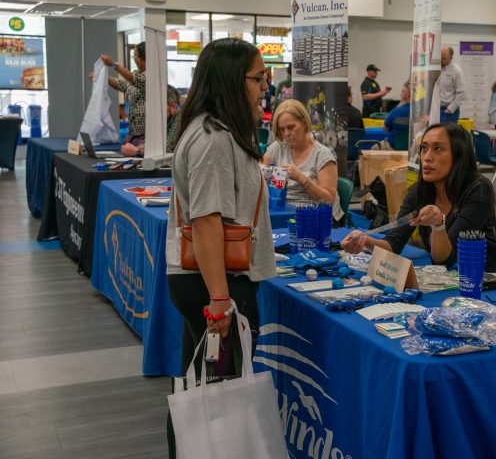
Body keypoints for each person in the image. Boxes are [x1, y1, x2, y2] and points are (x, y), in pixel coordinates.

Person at [165, 38, 276, 455]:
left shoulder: (218, 131)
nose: (264, 85)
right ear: (231, 80)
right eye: (257, 77)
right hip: (218, 281)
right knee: (218, 399)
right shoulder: (213, 138)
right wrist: (220, 301)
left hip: (210, 280)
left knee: (200, 390)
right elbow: (207, 222)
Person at [341, 123, 496, 276]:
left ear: (458, 155)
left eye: (438, 149)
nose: (427, 157)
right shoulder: (419, 192)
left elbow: (444, 259)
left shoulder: (478, 189)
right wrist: (366, 240)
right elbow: (393, 243)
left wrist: (438, 225)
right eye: (424, 148)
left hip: (494, 279)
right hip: (455, 280)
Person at [263, 99, 344, 221]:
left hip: (315, 216)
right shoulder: (278, 147)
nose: (286, 133)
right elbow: (258, 171)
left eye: (291, 127)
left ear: (305, 122)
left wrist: (302, 178)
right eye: (282, 129)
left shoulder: (323, 155)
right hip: (284, 212)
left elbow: (329, 199)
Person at [97, 42, 146, 140]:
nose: (134, 59)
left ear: (143, 57)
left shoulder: (149, 76)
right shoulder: (136, 74)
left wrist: (113, 64)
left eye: (136, 55)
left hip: (146, 135)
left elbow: (133, 78)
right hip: (134, 133)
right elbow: (119, 84)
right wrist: (99, 76)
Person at [120, 85, 181, 156]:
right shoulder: (164, 119)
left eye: (156, 107)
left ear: (173, 107)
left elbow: (167, 149)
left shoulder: (180, 118)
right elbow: (150, 144)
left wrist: (137, 151)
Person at [438, 47, 467, 123]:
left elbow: (462, 93)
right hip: (436, 110)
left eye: (444, 58)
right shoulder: (437, 68)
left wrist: (450, 109)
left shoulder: (457, 71)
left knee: (448, 134)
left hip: (449, 112)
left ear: (451, 58)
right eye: (440, 57)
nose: (441, 60)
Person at [383, 81, 412, 148]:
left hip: (394, 147)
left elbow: (385, 128)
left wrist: (401, 102)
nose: (400, 94)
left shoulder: (395, 112)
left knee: (374, 148)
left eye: (402, 92)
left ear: (406, 95)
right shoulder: (421, 113)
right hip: (413, 149)